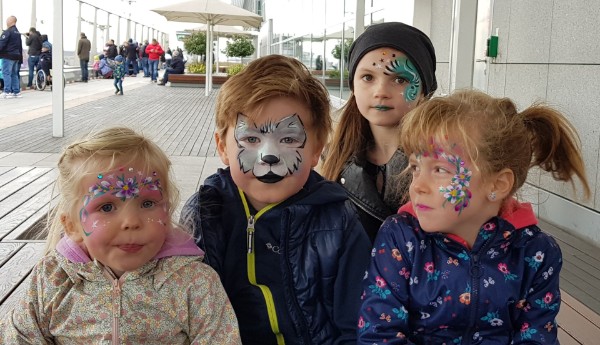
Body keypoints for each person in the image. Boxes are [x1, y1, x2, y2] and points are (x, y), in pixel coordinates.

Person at [357, 89, 591, 344]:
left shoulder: (535, 253)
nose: (417, 186)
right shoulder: (402, 239)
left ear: (498, 185)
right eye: (415, 167)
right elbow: (380, 334)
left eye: (439, 169)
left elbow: (537, 337)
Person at [180, 54, 371, 345]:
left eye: (289, 139)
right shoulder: (206, 215)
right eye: (251, 139)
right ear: (222, 147)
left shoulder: (337, 221)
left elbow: (356, 324)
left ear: (316, 149)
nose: (269, 155)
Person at [0, 126, 242, 344]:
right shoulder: (52, 279)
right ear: (72, 225)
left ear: (167, 212)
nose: (131, 222)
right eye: (106, 207)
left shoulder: (195, 283)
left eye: (147, 203)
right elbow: (20, 336)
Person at [320, 22, 438, 243]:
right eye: (368, 77)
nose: (381, 92)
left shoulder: (446, 161)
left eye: (400, 79)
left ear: (424, 90)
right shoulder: (330, 158)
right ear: (353, 86)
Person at [0, 15, 23, 98]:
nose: (6, 21)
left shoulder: (7, 32)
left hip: (8, 56)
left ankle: (7, 91)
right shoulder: (17, 32)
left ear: (12, 21)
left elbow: (1, 44)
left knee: (6, 73)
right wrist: (20, 57)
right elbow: (20, 45)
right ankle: (16, 92)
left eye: (7, 20)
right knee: (14, 74)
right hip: (16, 56)